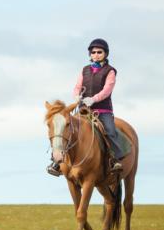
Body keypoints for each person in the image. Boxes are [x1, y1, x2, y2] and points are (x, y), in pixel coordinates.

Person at [47, 38, 123, 176]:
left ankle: (115, 159)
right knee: (67, 130)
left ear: (105, 53)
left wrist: (93, 99)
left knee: (110, 131)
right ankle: (57, 162)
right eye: (93, 52)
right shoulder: (85, 70)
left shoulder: (110, 71)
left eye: (99, 52)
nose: (96, 55)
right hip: (84, 110)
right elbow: (77, 86)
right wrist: (76, 96)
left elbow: (107, 90)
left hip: (102, 110)